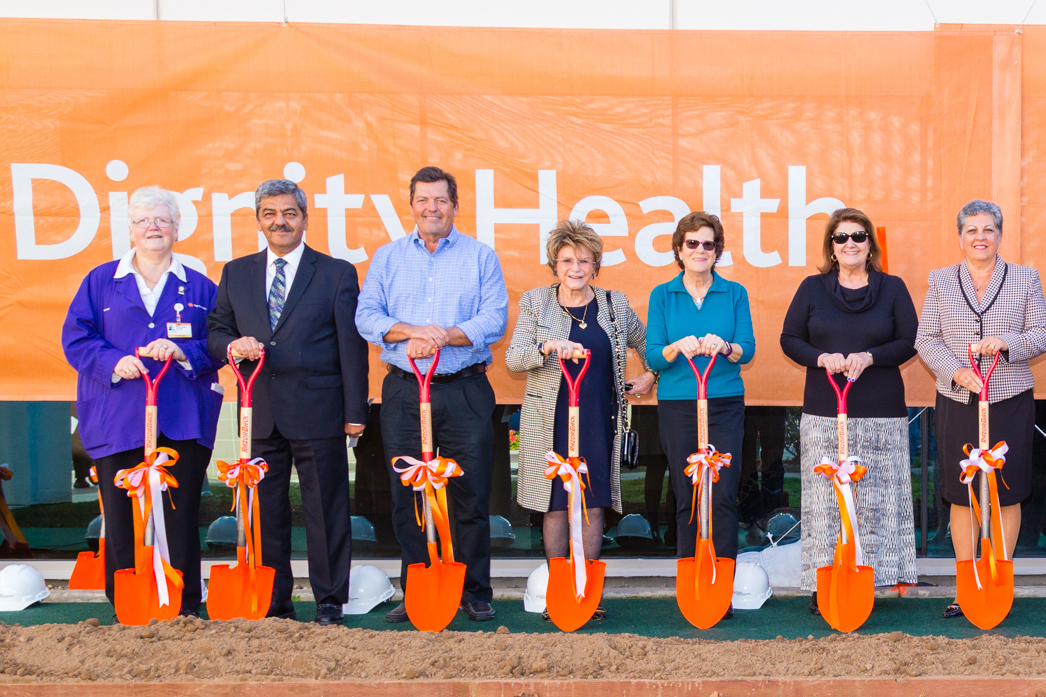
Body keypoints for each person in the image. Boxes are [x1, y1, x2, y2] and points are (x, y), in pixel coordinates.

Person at [207, 179, 369, 626]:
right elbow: (216, 330)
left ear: (304, 218)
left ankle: (329, 602)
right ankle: (274, 601)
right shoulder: (235, 272)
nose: (280, 221)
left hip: (319, 411)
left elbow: (351, 349)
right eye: (269, 214)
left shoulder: (336, 272)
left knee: (326, 512)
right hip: (257, 413)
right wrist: (230, 345)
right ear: (259, 220)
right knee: (266, 512)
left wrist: (355, 413)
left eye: (289, 213)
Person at [356, 166, 508, 623]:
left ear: (455, 206)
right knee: (409, 496)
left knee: (469, 493)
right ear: (412, 206)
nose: (432, 208)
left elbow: (493, 320)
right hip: (404, 392)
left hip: (463, 391)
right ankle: (417, 588)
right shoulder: (387, 257)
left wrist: (443, 337)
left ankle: (475, 590)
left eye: (440, 200)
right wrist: (412, 332)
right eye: (423, 200)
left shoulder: (480, 257)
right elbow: (367, 317)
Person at [62, 186, 223, 616]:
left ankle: (184, 608)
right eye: (143, 221)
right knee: (121, 519)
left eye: (161, 220)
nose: (153, 227)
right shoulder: (100, 282)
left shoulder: (202, 287)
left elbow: (219, 345)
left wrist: (184, 352)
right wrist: (115, 362)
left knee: (179, 516)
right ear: (130, 229)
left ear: (177, 228)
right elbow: (76, 339)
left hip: (182, 420)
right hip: (117, 420)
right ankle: (129, 609)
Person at [505, 220, 656, 620]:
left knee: (591, 505)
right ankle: (559, 593)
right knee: (555, 506)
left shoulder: (613, 304)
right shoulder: (536, 302)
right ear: (555, 263)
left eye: (584, 260)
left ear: (595, 265)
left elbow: (648, 344)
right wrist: (546, 345)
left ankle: (587, 594)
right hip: (548, 418)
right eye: (567, 259)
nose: (575, 267)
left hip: (598, 417)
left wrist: (649, 374)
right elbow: (514, 358)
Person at [780, 207, 919, 614]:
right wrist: (821, 357)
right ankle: (824, 583)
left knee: (877, 499)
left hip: (881, 411)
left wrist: (871, 356)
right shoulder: (811, 288)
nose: (850, 244)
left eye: (858, 236)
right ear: (832, 247)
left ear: (870, 244)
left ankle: (873, 579)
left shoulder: (892, 288)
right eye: (841, 238)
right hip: (824, 411)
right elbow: (790, 339)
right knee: (826, 502)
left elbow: (911, 340)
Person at [915, 199, 1046, 619]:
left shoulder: (1026, 278)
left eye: (988, 229)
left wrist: (1009, 343)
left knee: (1006, 491)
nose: (980, 237)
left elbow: (1041, 332)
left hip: (1009, 398)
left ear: (1000, 235)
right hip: (959, 399)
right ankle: (965, 584)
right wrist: (956, 371)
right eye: (972, 230)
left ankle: (998, 581)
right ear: (960, 237)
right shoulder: (940, 280)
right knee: (961, 492)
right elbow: (926, 339)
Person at [645, 211, 754, 619]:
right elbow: (655, 353)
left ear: (717, 250)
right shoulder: (663, 295)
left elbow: (748, 347)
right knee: (688, 492)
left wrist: (723, 346)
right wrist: (678, 347)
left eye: (708, 244)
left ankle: (719, 585)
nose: (700, 250)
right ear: (679, 249)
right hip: (678, 403)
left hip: (724, 400)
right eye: (692, 243)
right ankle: (691, 584)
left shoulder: (734, 293)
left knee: (722, 490)